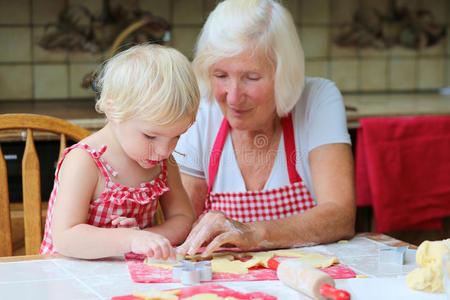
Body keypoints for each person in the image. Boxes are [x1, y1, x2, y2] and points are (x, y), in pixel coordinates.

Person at [175, 0, 356, 258]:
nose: (233, 97)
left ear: (284, 74)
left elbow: (340, 215)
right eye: (220, 75)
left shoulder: (317, 99)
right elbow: (183, 222)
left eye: (251, 78)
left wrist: (254, 233)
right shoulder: (201, 110)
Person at [40, 44, 200, 259]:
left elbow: (183, 218)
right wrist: (128, 240)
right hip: (70, 276)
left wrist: (147, 238)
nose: (164, 151)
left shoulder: (162, 161)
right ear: (113, 110)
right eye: (150, 136)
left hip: (127, 278)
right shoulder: (85, 161)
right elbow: (66, 237)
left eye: (177, 136)